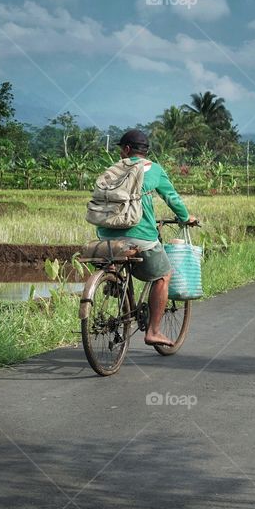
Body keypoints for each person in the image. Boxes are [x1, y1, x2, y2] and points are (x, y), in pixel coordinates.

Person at [95, 129, 196, 347]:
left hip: (105, 235)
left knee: (117, 255)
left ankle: (112, 274)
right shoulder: (154, 169)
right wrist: (186, 217)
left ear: (127, 149)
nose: (121, 153)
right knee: (164, 276)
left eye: (121, 149)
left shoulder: (112, 170)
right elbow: (172, 199)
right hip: (140, 236)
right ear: (145, 151)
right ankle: (153, 331)